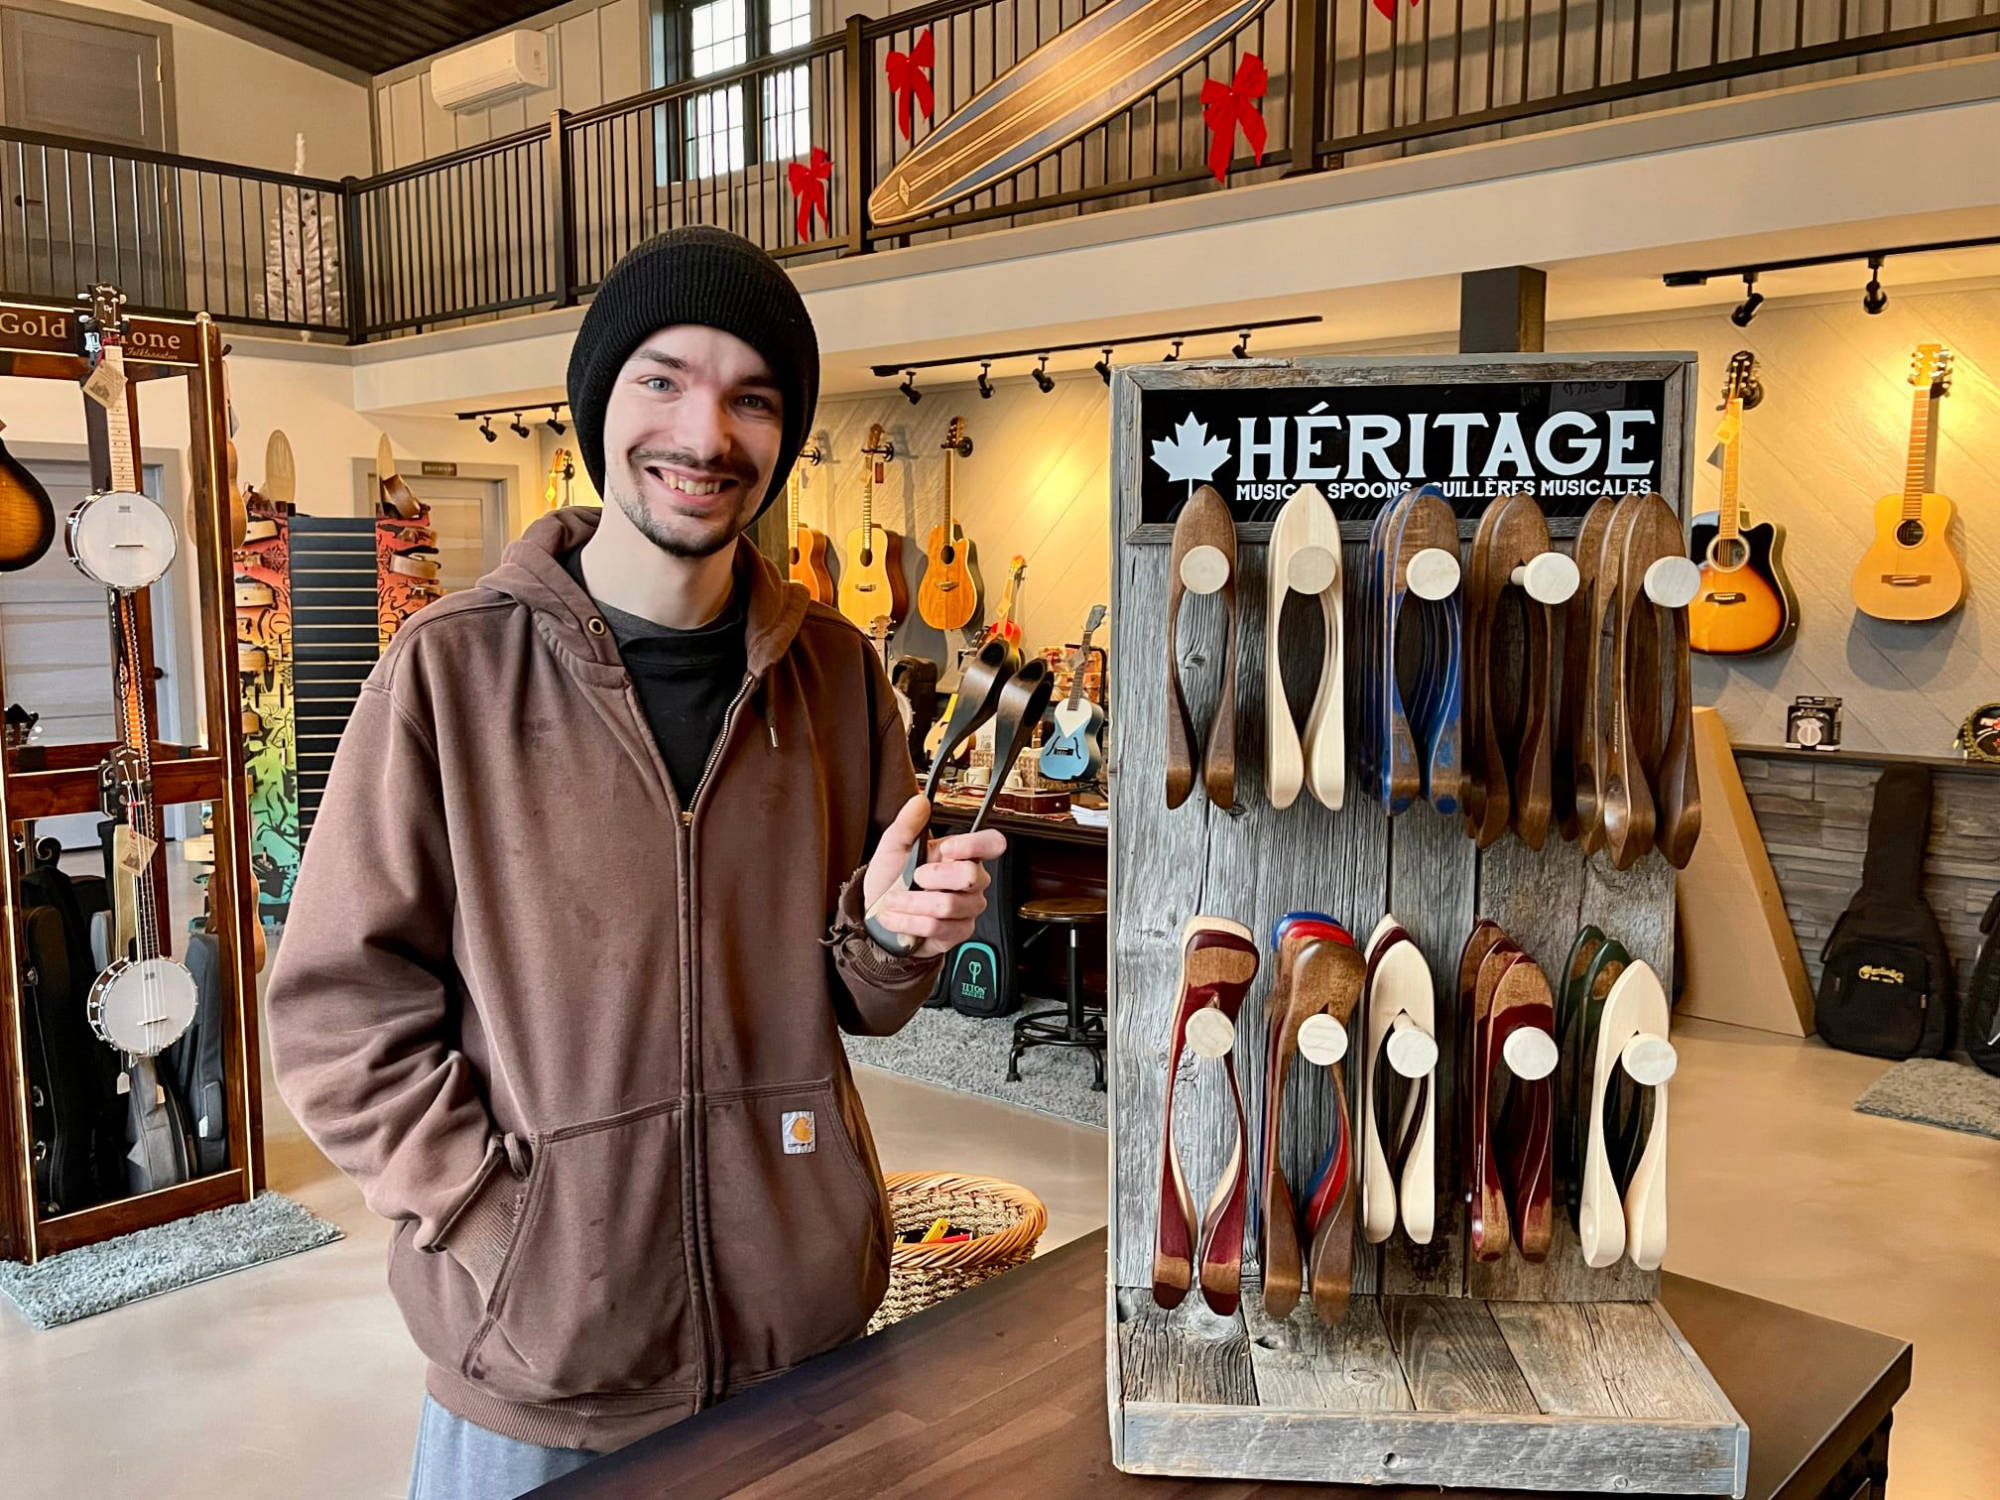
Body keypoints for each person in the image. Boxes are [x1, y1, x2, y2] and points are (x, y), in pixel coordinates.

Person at [268, 226, 1006, 1500]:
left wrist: (895, 938)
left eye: (752, 397)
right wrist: (504, 1231)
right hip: (536, 1377)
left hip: (799, 1350)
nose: (706, 432)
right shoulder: (450, 671)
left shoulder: (834, 677)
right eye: (663, 379)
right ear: (598, 402)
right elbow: (338, 1016)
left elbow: (865, 999)